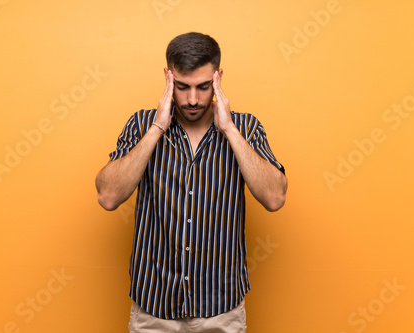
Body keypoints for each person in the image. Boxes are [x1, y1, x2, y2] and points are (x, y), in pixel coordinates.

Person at [95, 32, 287, 333]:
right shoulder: (142, 125)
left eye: (203, 86)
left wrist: (230, 131)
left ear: (218, 78)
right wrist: (158, 127)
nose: (193, 99)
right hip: (154, 308)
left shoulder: (246, 128)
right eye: (182, 87)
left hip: (220, 310)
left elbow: (275, 198)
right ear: (168, 77)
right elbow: (108, 196)